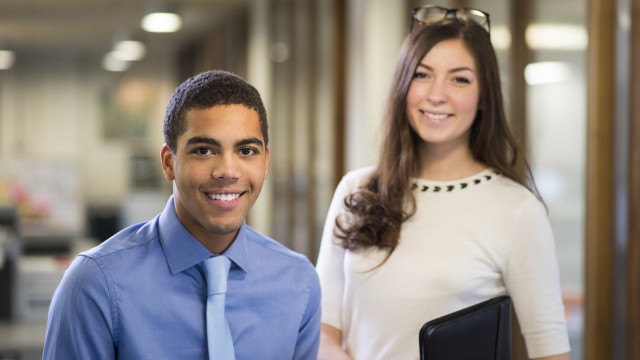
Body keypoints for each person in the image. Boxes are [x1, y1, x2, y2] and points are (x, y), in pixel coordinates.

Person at [315, 5, 570, 360]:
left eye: (460, 79)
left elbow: (550, 351)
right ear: (403, 84)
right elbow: (323, 330)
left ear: (484, 97)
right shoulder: (356, 190)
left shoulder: (517, 209)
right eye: (422, 74)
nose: (437, 94)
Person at [43, 70, 321, 359]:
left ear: (266, 162)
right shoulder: (96, 284)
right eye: (204, 150)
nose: (227, 171)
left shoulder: (298, 283)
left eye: (247, 150)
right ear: (169, 163)